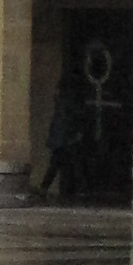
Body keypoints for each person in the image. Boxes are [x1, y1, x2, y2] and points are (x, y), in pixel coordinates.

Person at [37, 71, 84, 202]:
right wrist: (75, 133)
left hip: (60, 138)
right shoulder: (69, 101)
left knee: (58, 164)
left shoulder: (62, 101)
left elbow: (59, 121)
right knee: (70, 164)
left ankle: (46, 188)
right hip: (65, 139)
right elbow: (68, 119)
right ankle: (77, 190)